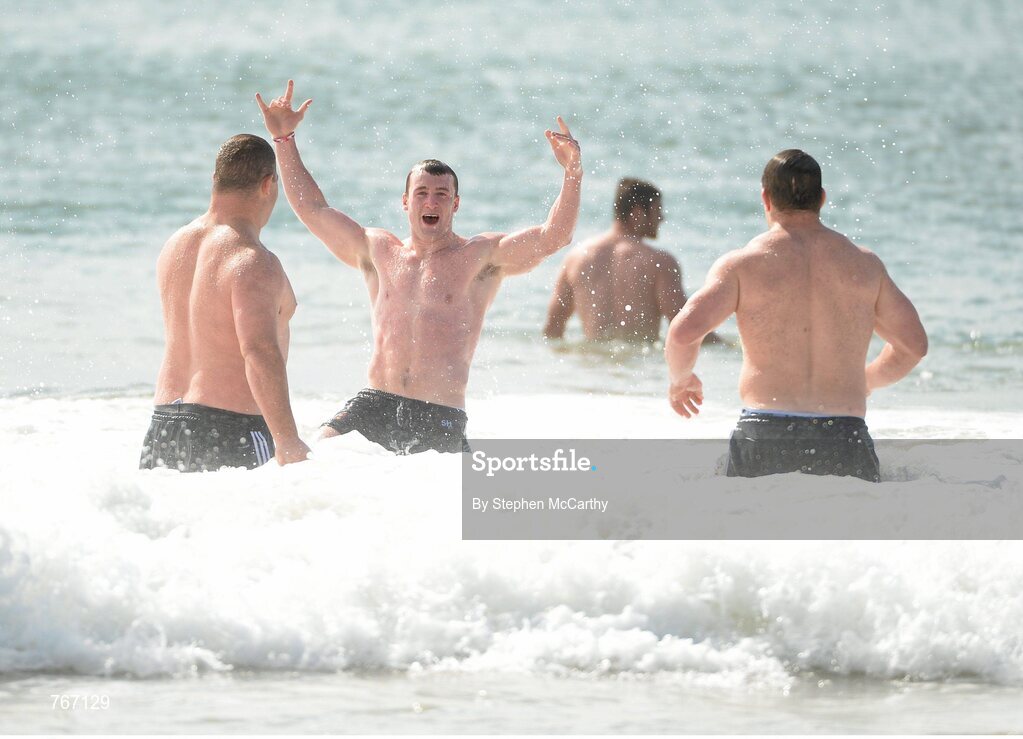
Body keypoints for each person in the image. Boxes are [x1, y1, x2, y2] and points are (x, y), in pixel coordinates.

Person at [255, 81, 582, 455]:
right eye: (422, 193)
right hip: (375, 403)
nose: (432, 201)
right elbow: (313, 210)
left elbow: (553, 236)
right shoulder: (378, 249)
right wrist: (284, 140)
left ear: (455, 204)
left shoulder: (482, 257)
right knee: (311, 460)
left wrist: (572, 174)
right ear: (405, 202)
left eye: (442, 195)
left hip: (438, 414)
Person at [664, 149, 927, 482]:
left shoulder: (743, 264)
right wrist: (867, 380)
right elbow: (914, 346)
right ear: (822, 198)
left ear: (766, 198)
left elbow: (683, 333)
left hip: (765, 436)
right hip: (844, 439)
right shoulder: (865, 266)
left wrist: (681, 380)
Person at [140, 134, 311, 472]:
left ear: (215, 180)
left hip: (163, 428)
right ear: (268, 184)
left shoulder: (175, 246)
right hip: (230, 430)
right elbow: (260, 350)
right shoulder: (253, 260)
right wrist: (287, 440)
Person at [544, 177, 717, 343]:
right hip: (639, 370)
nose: (662, 218)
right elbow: (686, 328)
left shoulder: (576, 258)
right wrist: (732, 347)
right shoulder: (659, 262)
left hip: (591, 367)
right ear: (638, 213)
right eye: (657, 211)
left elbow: (552, 329)